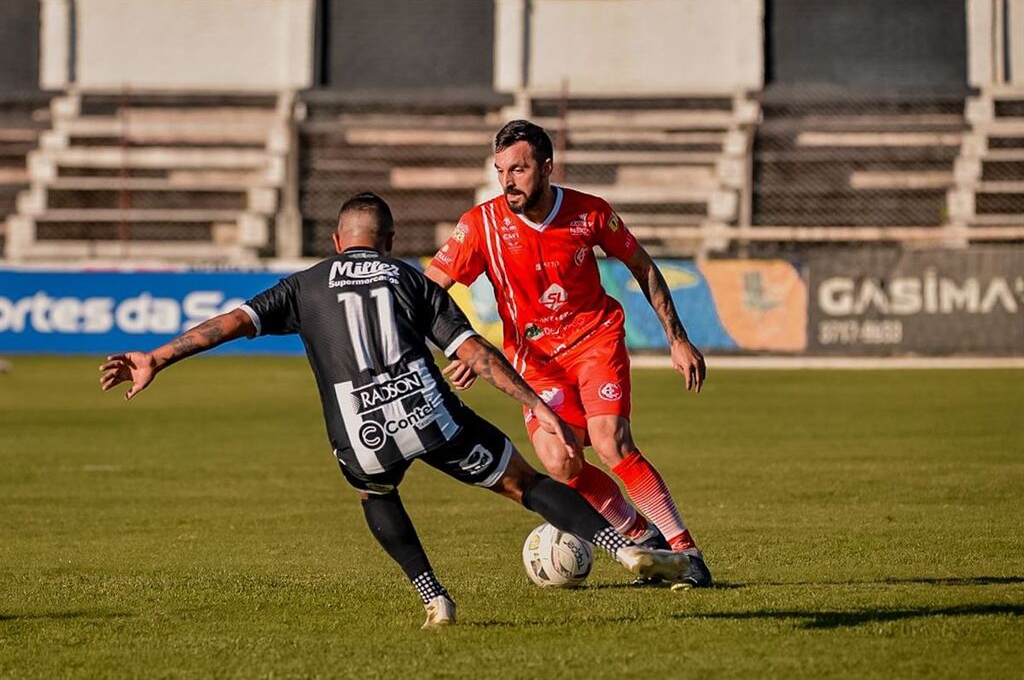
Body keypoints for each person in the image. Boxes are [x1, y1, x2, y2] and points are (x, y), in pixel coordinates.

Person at [99, 192, 691, 629]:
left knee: (375, 495)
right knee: (527, 484)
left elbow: (228, 325)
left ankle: (434, 597)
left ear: (336, 243)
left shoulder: (303, 285)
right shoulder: (408, 279)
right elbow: (476, 354)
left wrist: (158, 356)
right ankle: (624, 547)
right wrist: (537, 403)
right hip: (429, 414)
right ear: (386, 242)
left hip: (360, 430)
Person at [426, 120, 712, 587]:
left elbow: (642, 266)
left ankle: (686, 551)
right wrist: (459, 342)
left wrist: (676, 337)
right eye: (501, 171)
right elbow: (431, 292)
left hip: (594, 340)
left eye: (518, 169)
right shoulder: (480, 226)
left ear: (547, 167)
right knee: (560, 463)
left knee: (609, 442)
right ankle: (644, 541)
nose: (508, 181)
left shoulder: (589, 213)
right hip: (534, 365)